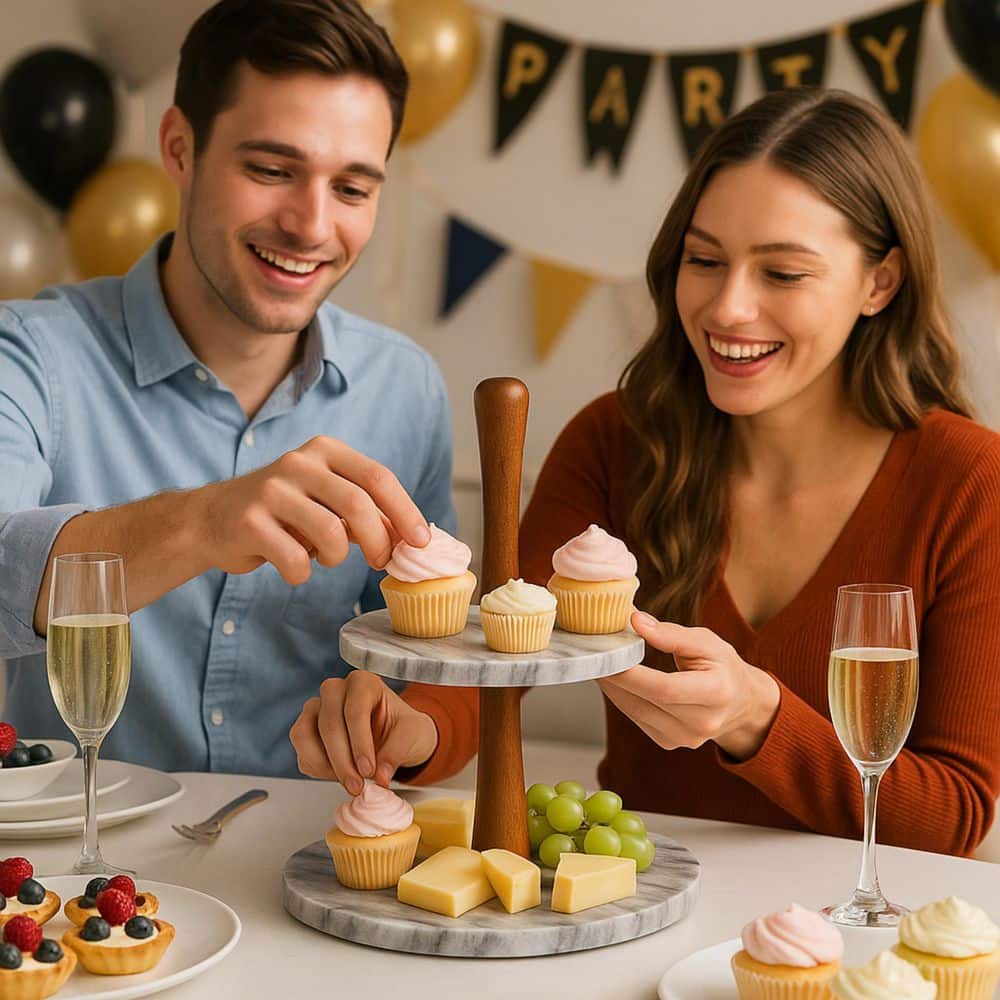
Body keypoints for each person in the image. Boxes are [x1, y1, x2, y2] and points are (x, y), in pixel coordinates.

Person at [291, 88, 1000, 857]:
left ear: (880, 283)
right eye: (704, 260)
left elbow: (955, 816)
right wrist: (412, 729)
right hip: (635, 908)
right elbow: (501, 652)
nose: (727, 307)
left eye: (783, 274)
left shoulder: (970, 484)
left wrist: (757, 718)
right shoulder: (614, 441)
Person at [0, 0, 456, 778]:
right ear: (179, 148)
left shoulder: (405, 387)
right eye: (272, 170)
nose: (311, 225)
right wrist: (204, 520)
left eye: (351, 189)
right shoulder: (33, 354)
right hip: (86, 879)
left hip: (308, 870)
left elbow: (437, 660)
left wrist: (412, 727)